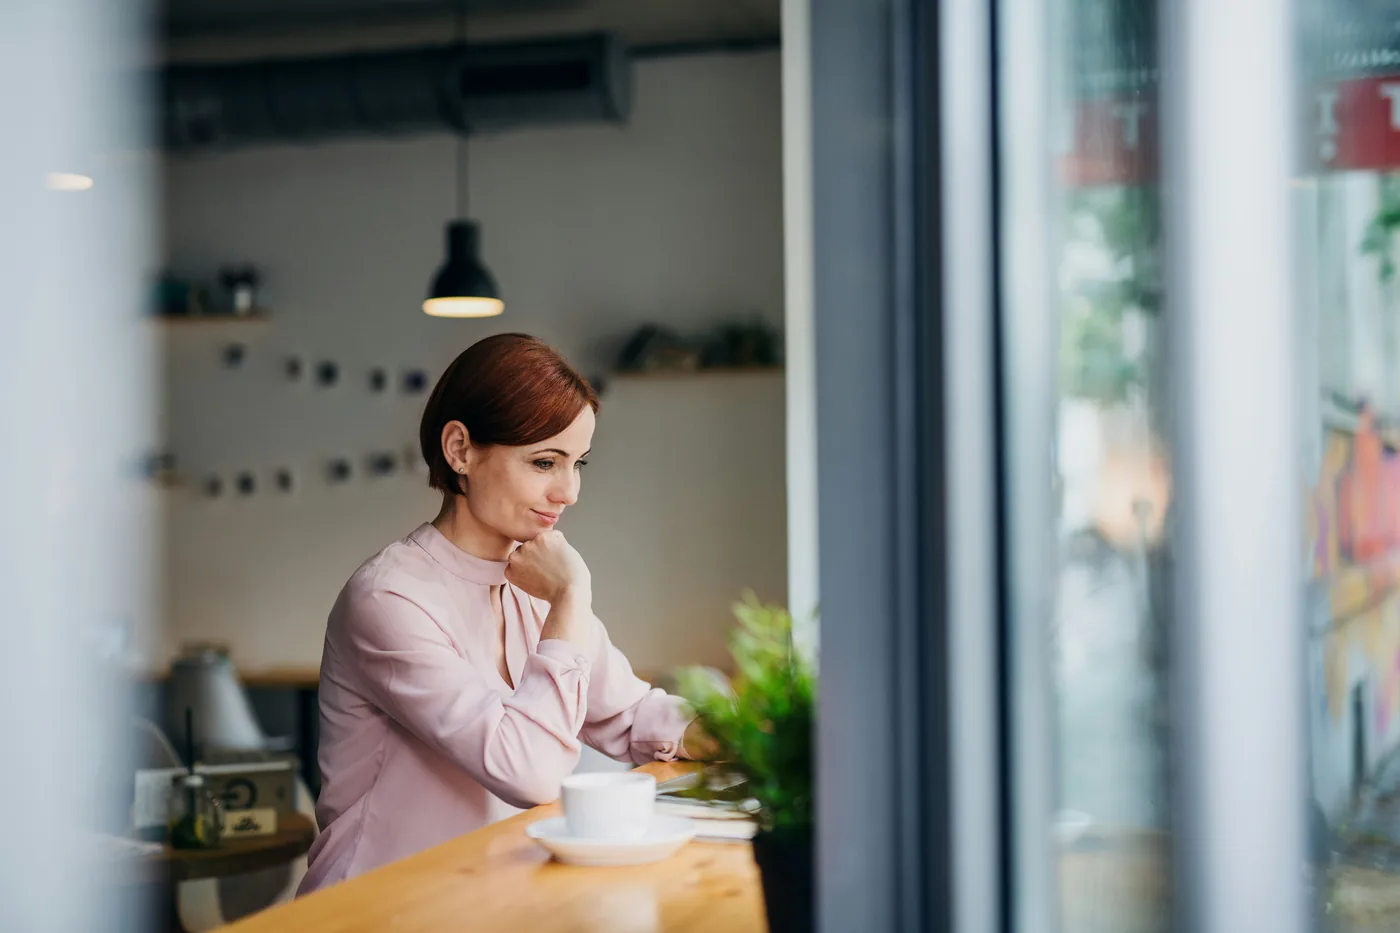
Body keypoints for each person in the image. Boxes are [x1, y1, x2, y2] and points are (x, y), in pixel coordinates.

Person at [297, 333, 701, 894]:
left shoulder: (537, 582)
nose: (569, 492)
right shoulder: (388, 600)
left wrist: (739, 730)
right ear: (460, 449)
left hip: (484, 898)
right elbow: (530, 772)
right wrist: (572, 596)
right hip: (374, 910)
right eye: (544, 461)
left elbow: (631, 715)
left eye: (577, 463)